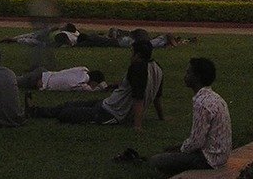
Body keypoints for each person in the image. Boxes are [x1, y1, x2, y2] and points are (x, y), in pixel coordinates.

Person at [30, 39, 163, 129]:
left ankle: (35, 112)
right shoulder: (158, 69)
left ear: (138, 55)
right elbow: (157, 97)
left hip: (112, 114)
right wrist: (161, 118)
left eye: (132, 52)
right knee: (69, 104)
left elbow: (138, 98)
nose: (130, 56)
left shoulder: (137, 68)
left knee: (67, 113)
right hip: (108, 104)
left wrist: (137, 126)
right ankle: (34, 111)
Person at [150, 57, 232, 175]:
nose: (185, 76)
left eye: (188, 72)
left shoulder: (201, 103)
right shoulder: (216, 98)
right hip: (220, 155)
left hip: (208, 159)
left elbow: (197, 141)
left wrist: (181, 150)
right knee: (170, 151)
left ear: (197, 77)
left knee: (156, 161)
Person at [16, 66, 106, 91]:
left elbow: (84, 68)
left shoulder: (82, 70)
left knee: (18, 79)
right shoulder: (82, 84)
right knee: (12, 82)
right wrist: (103, 86)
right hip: (40, 80)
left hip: (45, 73)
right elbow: (92, 89)